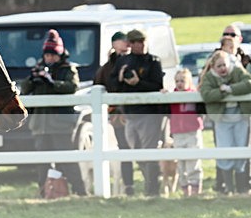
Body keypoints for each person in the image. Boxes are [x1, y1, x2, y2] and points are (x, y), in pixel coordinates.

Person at [21, 29, 87, 196]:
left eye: (53, 55)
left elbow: (71, 87)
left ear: (59, 54)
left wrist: (51, 83)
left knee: (66, 160)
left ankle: (80, 191)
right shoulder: (38, 68)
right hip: (40, 124)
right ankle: (44, 191)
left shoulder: (68, 69)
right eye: (47, 55)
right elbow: (24, 90)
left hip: (60, 124)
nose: (49, 58)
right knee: (42, 162)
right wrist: (33, 78)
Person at [107, 29, 166, 196]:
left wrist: (138, 82)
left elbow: (156, 85)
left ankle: (152, 189)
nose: (141, 45)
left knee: (149, 151)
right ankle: (150, 182)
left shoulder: (153, 61)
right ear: (131, 44)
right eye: (137, 42)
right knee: (136, 151)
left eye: (143, 41)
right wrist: (119, 77)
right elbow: (113, 86)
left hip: (148, 113)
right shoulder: (123, 61)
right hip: (130, 114)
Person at [199, 50, 251, 194]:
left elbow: (248, 83)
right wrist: (221, 92)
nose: (222, 68)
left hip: (241, 118)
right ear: (213, 67)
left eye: (224, 65)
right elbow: (206, 94)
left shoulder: (237, 72)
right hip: (222, 119)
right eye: (219, 66)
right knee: (224, 151)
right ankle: (228, 188)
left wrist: (230, 89)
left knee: (241, 151)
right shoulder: (210, 77)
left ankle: (242, 189)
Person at [94, 31, 134, 195]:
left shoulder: (136, 61)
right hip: (118, 115)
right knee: (124, 149)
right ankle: (129, 185)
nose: (126, 45)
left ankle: (151, 186)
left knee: (143, 148)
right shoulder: (107, 68)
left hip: (138, 113)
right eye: (122, 42)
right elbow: (100, 85)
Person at [167, 68, 203, 196]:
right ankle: (184, 189)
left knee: (193, 161)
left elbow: (201, 110)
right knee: (180, 163)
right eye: (177, 81)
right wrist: (164, 95)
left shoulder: (194, 95)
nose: (179, 83)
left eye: (182, 80)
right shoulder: (172, 96)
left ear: (189, 82)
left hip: (192, 132)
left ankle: (195, 188)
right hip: (178, 133)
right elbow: (165, 110)